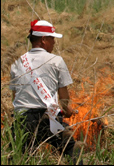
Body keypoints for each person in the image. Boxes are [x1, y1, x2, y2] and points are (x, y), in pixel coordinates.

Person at [9, 20, 82, 162]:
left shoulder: (17, 63)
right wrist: (68, 111)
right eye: (52, 38)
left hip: (22, 120)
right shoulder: (56, 61)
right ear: (43, 40)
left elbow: (15, 97)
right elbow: (64, 98)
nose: (54, 42)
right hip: (48, 119)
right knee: (71, 149)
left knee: (18, 158)